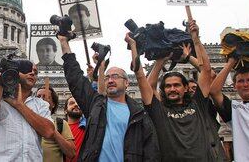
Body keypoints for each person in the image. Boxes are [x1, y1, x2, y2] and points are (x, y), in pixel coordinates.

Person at [126, 20, 224, 161]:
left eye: (177, 85)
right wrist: (160, 60)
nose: (172, 89)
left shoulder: (198, 104)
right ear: (163, 90)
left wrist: (195, 42)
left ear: (185, 88)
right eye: (167, 86)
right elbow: (143, 80)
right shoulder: (159, 110)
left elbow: (206, 71)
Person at [57, 33, 160, 161]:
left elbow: (151, 154)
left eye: (115, 76)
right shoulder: (96, 105)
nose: (110, 80)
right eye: (107, 77)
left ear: (127, 83)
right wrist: (64, 42)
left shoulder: (140, 115)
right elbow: (75, 78)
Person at [0, 60, 55, 161]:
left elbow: (49, 131)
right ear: (13, 72)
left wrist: (19, 105)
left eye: (35, 72)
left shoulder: (41, 104)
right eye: (26, 70)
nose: (32, 73)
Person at [210, 58, 249, 161]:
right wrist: (231, 62)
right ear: (234, 86)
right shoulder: (234, 109)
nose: (245, 85)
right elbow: (214, 91)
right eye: (240, 81)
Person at [36, 86, 75, 161]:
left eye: (45, 97)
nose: (41, 99)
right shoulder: (27, 121)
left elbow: (71, 153)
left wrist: (53, 131)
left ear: (53, 104)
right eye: (38, 97)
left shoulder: (61, 124)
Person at [64, 96, 86, 162]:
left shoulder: (89, 127)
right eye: (71, 103)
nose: (76, 104)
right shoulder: (58, 128)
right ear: (65, 111)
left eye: (79, 103)